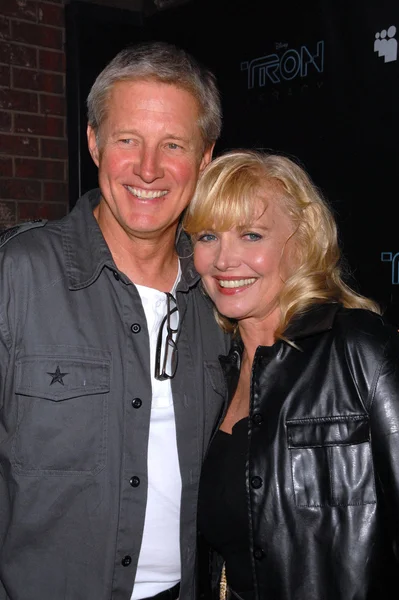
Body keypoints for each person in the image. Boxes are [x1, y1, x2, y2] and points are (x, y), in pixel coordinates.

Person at [0, 41, 230, 600]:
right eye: (128, 140)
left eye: (172, 144)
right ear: (94, 142)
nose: (148, 168)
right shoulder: (17, 276)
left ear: (204, 159)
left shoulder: (223, 297)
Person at [183, 149, 399, 600]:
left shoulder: (358, 348)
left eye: (251, 234)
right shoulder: (212, 369)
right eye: (207, 236)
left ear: (301, 243)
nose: (224, 260)